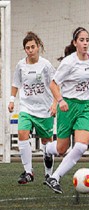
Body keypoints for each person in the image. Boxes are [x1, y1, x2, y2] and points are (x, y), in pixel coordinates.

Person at [44, 27, 89, 194]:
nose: (85, 43)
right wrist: (59, 101)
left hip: (85, 107)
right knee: (61, 149)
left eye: (87, 40)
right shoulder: (68, 62)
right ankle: (47, 150)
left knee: (81, 146)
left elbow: (88, 82)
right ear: (75, 43)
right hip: (67, 106)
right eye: (81, 40)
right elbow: (53, 84)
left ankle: (55, 177)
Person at [8, 31, 56, 184]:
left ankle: (49, 174)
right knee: (22, 133)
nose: (30, 50)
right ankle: (28, 172)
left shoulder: (46, 65)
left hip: (44, 110)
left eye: (32, 47)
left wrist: (55, 103)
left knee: (46, 144)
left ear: (38, 47)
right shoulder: (21, 65)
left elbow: (55, 85)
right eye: (27, 48)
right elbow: (16, 83)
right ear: (25, 50)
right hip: (26, 108)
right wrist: (11, 100)